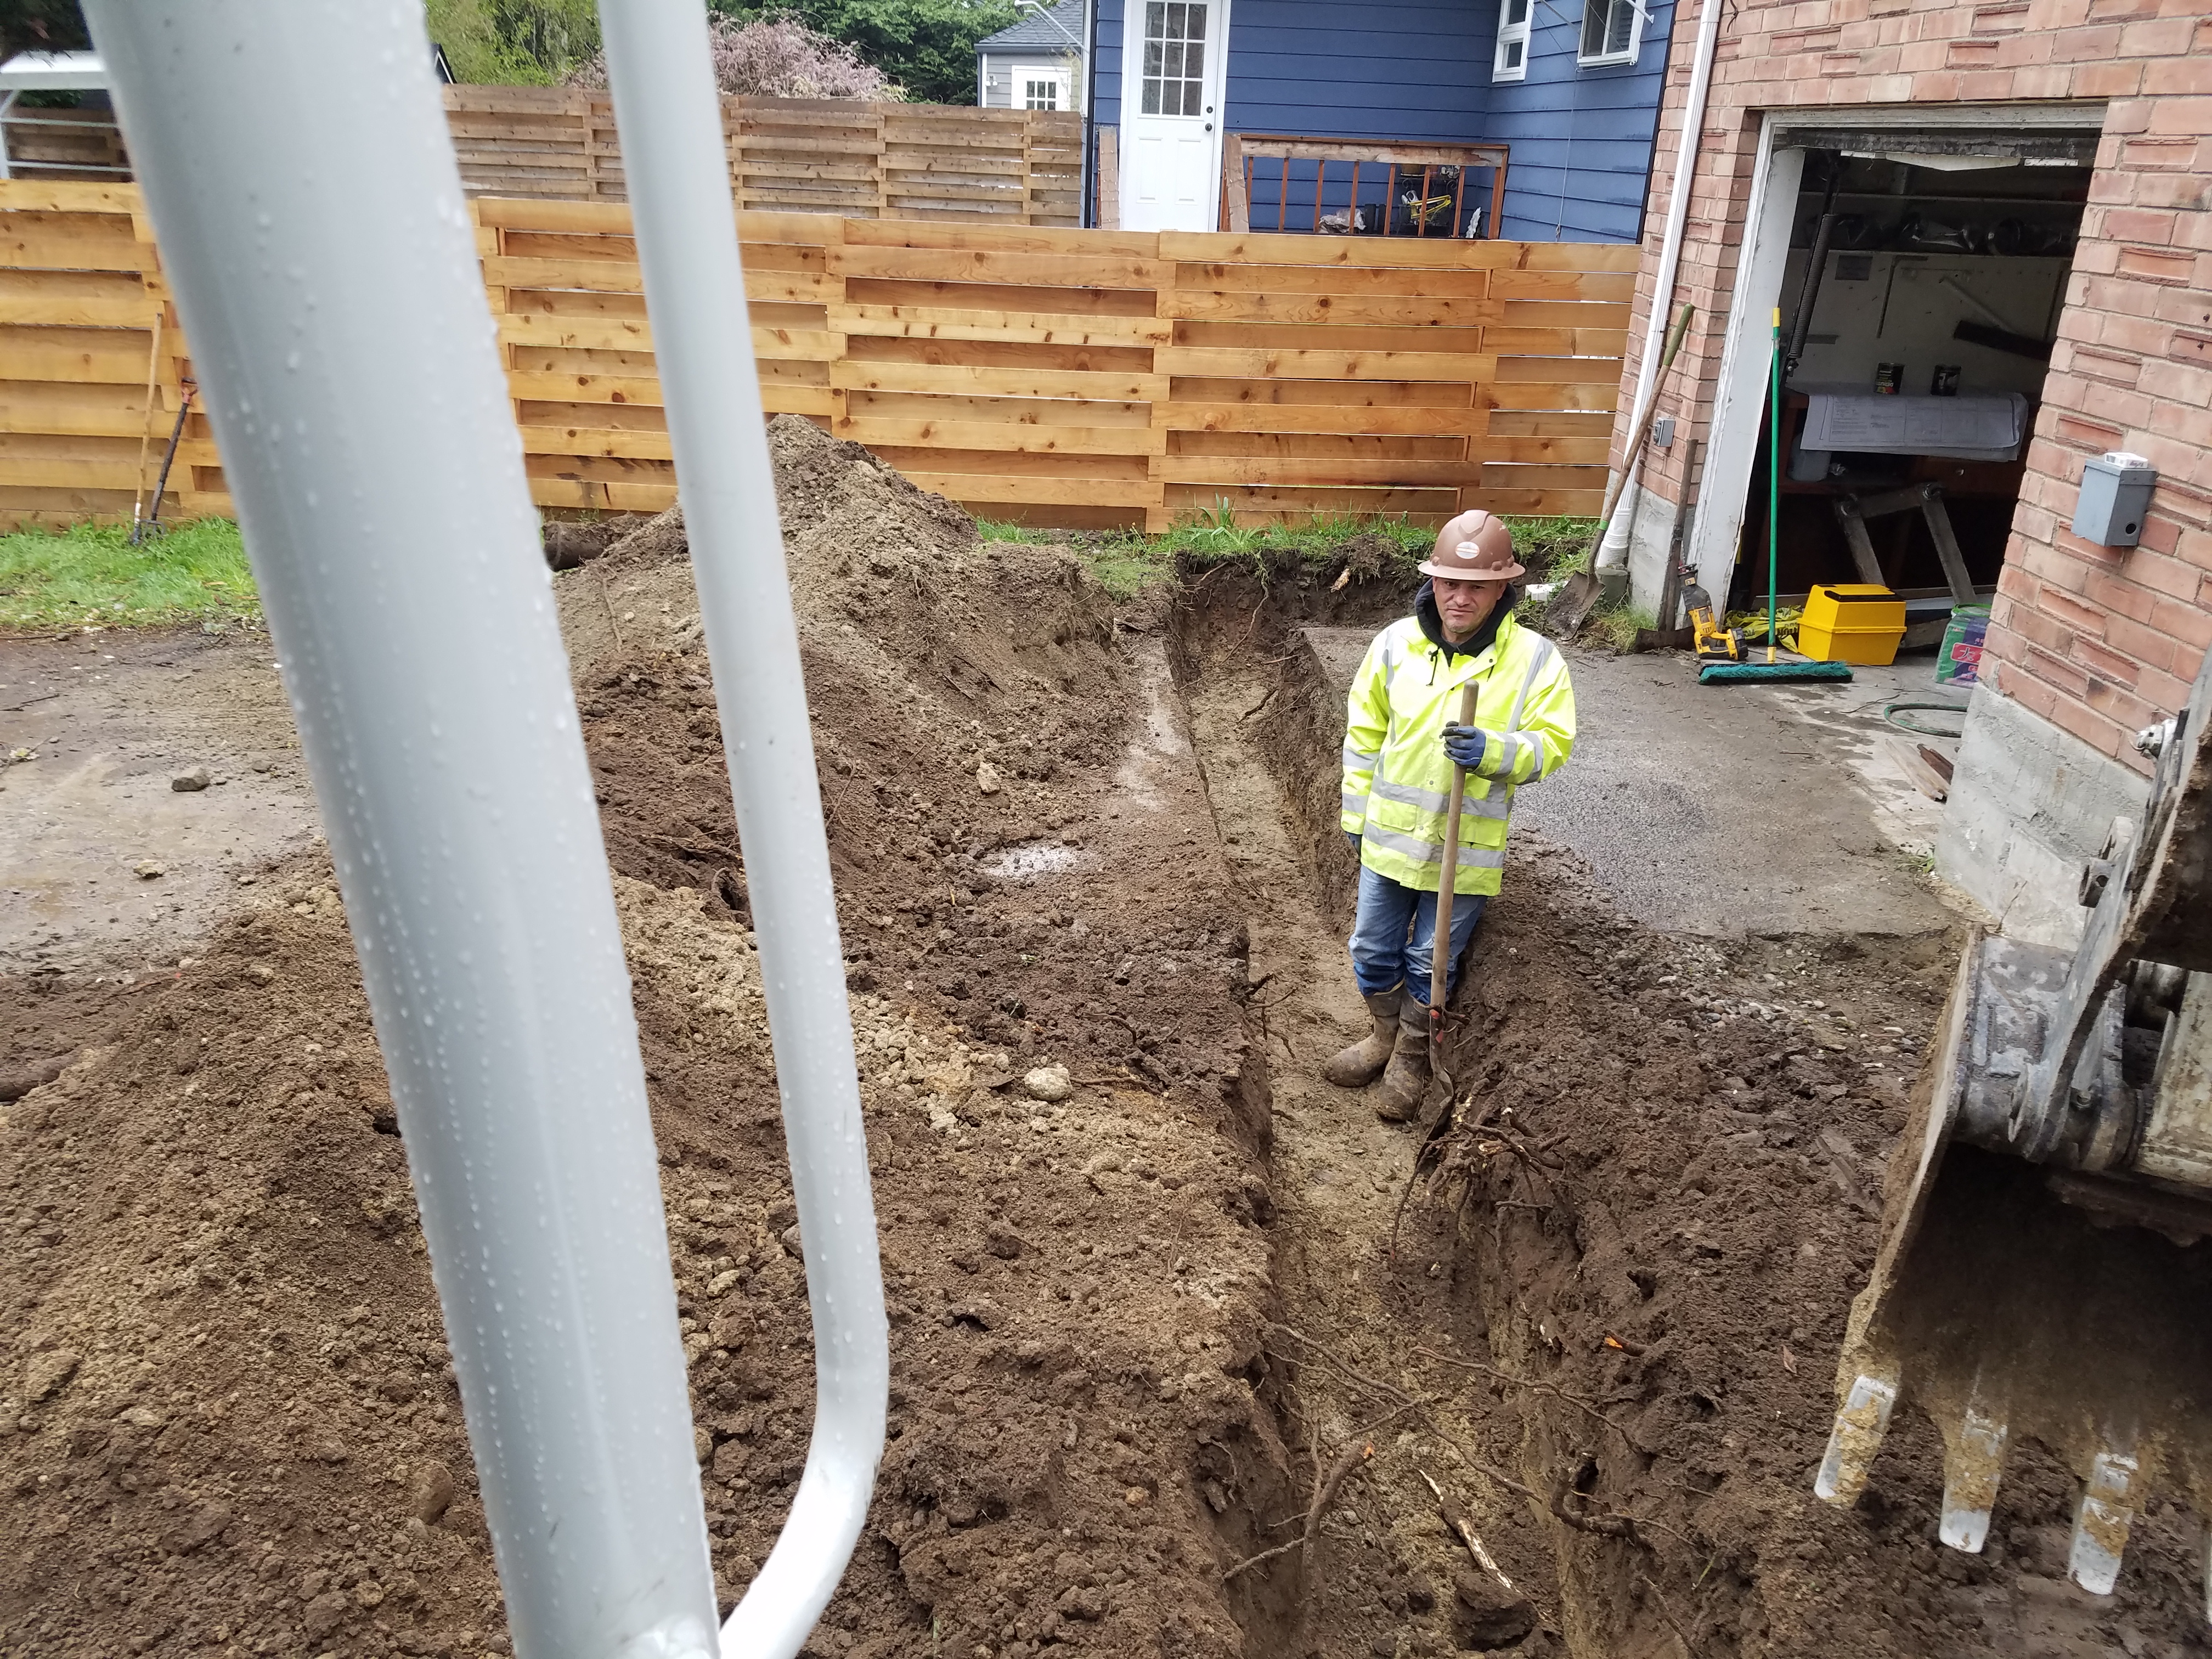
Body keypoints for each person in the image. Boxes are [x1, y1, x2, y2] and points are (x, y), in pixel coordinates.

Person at [1324, 509, 1576, 1121]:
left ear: (1502, 589)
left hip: (1465, 846)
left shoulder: (1536, 661)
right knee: (1371, 951)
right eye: (1449, 583)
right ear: (1432, 582)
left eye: (1477, 586)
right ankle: (1383, 1035)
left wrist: (1496, 751)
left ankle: (1412, 1053)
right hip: (1388, 839)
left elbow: (1553, 743)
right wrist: (1354, 817)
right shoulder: (1394, 645)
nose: (1460, 598)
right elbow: (1363, 737)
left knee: (1429, 961)